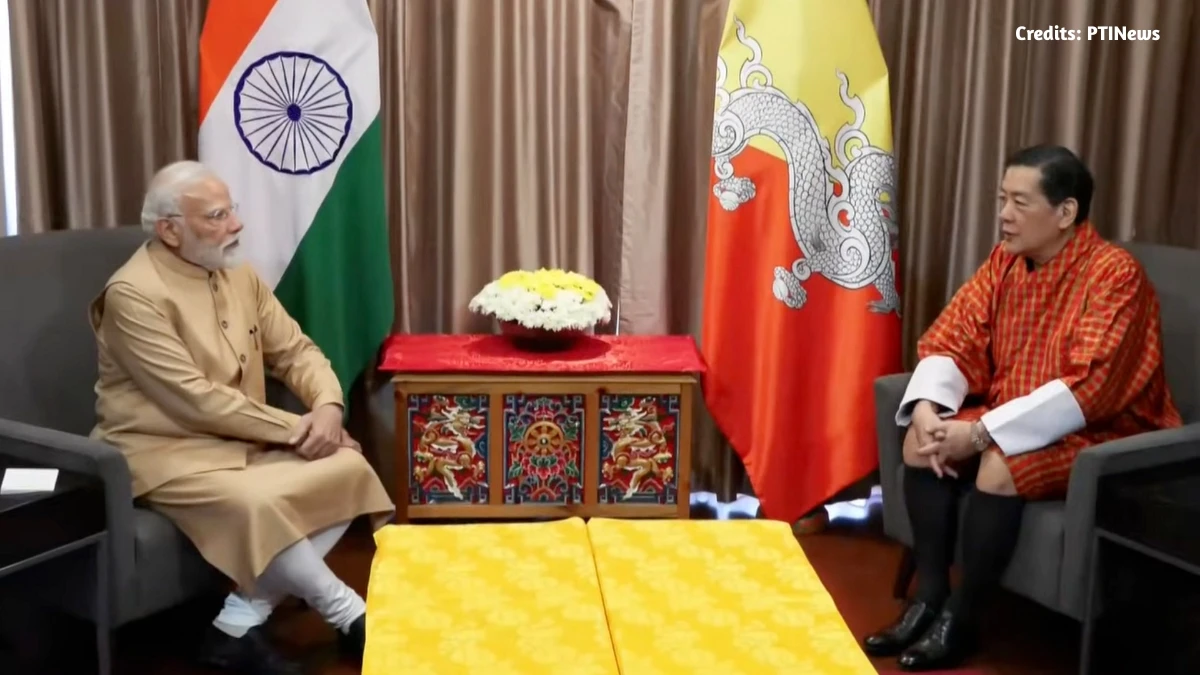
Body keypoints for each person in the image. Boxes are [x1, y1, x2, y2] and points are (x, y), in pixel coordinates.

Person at [862, 144, 1182, 671]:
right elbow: (957, 336)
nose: (1004, 215)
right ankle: (929, 597)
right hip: (1012, 413)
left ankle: (963, 618)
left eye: (1019, 202)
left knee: (1000, 466)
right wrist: (926, 409)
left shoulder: (1114, 275)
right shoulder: (1004, 262)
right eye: (1001, 199)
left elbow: (1089, 388)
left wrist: (979, 434)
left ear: (1066, 212)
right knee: (920, 444)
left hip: (1099, 431)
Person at [90, 161, 396, 675]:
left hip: (242, 438)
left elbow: (295, 350)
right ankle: (350, 614)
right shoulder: (132, 295)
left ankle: (233, 627)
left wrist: (327, 407)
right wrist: (298, 430)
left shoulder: (238, 272)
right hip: (163, 450)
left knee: (347, 468)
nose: (236, 224)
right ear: (170, 230)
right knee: (260, 506)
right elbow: (195, 401)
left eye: (231, 209)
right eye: (216, 216)